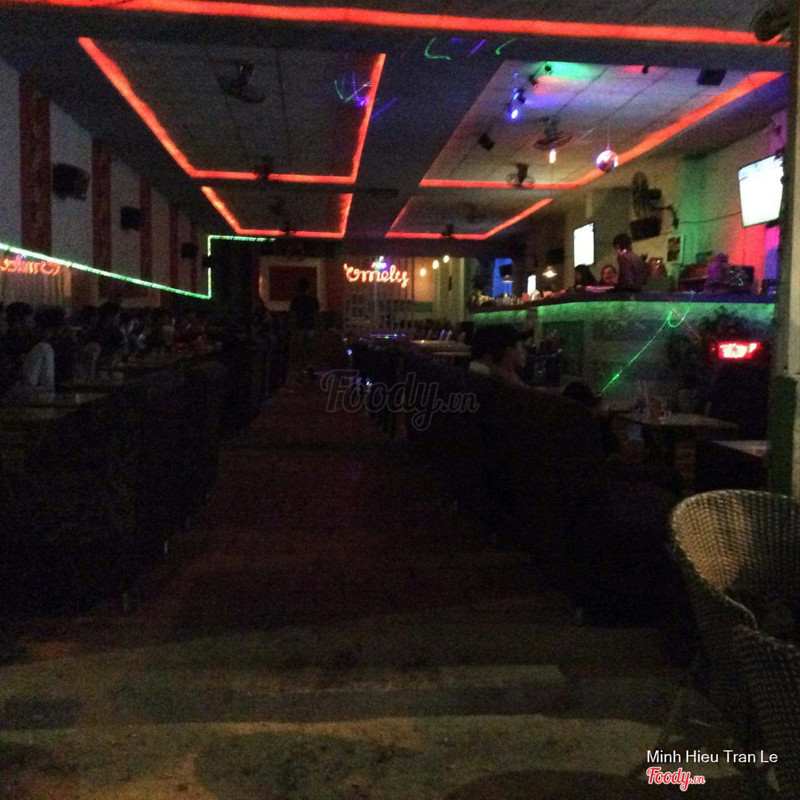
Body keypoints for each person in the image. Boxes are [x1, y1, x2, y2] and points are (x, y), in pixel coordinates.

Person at [289, 278, 320, 381]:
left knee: (300, 351)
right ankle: (310, 369)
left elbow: (292, 315)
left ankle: (301, 373)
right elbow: (316, 315)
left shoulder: (296, 300)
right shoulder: (313, 300)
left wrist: (292, 328)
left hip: (299, 327)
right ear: (308, 288)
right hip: (310, 327)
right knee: (310, 350)